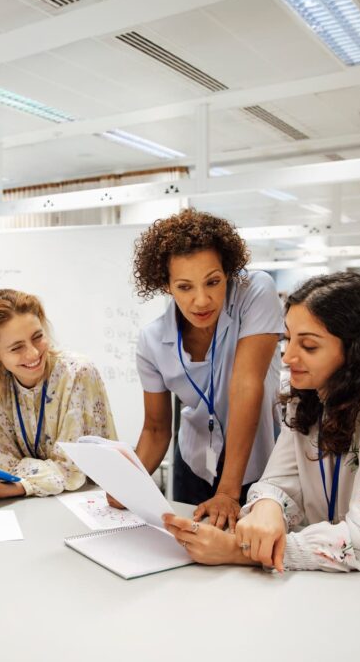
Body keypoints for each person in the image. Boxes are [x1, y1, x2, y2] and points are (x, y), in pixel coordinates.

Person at [162, 272, 360, 571]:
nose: (288, 357)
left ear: (355, 350)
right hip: (350, 576)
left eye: (308, 345)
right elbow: (279, 482)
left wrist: (239, 549)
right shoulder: (309, 395)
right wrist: (267, 507)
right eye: (287, 339)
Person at [130, 209, 282, 529]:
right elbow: (156, 430)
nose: (201, 300)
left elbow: (246, 385)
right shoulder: (152, 340)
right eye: (185, 287)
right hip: (195, 464)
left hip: (257, 463)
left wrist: (228, 492)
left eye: (212, 281)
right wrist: (128, 484)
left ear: (228, 271)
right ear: (166, 285)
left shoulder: (255, 292)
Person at [0, 289, 117, 500]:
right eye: (17, 348)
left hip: (89, 502)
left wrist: (12, 486)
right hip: (29, 502)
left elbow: (71, 470)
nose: (34, 353)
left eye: (38, 337)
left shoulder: (77, 373)